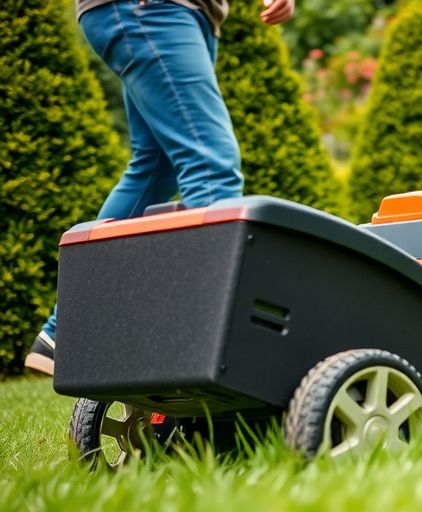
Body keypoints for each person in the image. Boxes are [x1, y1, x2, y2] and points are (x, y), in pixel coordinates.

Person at [23, 0, 295, 375]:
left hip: (180, 13)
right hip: (149, 8)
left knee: (156, 168)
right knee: (210, 162)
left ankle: (64, 330)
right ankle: (207, 346)